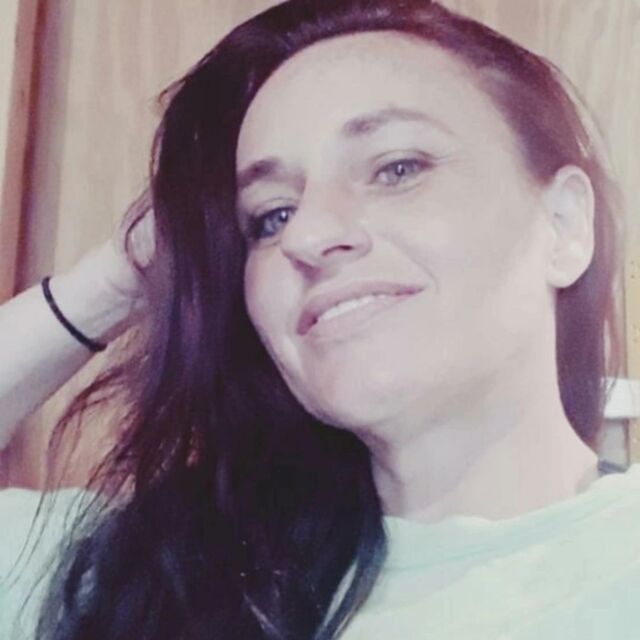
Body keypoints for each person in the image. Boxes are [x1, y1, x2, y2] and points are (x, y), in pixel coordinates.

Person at [0, 0, 636, 638]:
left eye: (397, 169)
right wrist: (117, 278)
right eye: (271, 216)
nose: (306, 235)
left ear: (563, 226)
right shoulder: (147, 576)